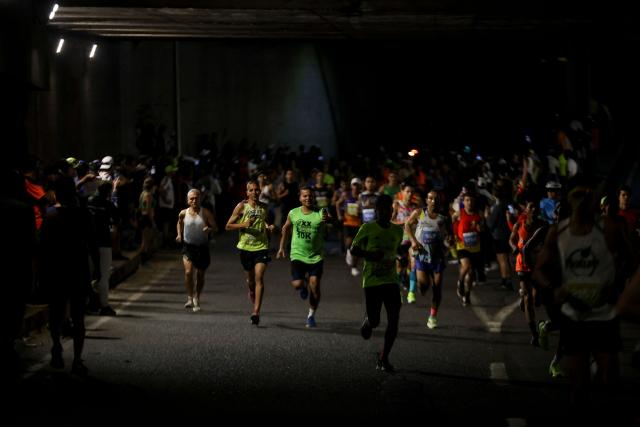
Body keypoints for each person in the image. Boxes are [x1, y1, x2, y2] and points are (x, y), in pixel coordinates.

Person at [534, 184, 634, 407]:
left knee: (610, 380)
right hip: (574, 314)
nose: (580, 201)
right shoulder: (558, 232)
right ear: (570, 200)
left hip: (604, 313)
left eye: (585, 196)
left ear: (592, 200)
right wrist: (553, 290)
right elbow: (539, 269)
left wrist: (618, 277)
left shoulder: (609, 228)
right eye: (576, 196)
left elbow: (633, 258)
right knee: (579, 385)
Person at [40, 176, 100, 377]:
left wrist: (42, 273)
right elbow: (93, 243)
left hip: (57, 271)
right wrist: (98, 268)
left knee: (56, 314)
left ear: (56, 193)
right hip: (78, 269)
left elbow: (43, 248)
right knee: (78, 317)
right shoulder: (83, 214)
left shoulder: (50, 215)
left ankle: (57, 346)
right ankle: (76, 359)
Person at [351, 194, 403, 372]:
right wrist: (370, 255)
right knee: (375, 321)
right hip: (372, 281)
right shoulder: (367, 228)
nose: (385, 213)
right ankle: (368, 322)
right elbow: (354, 249)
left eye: (388, 210)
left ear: (391, 211)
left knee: (394, 320)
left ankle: (384, 357)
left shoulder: (397, 231)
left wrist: (402, 257)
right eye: (381, 210)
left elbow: (398, 250)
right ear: (376, 211)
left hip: (391, 281)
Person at [277, 187, 329, 328]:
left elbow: (329, 227)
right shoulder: (293, 213)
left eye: (310, 196)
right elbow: (286, 228)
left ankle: (311, 315)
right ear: (300, 198)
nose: (308, 198)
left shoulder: (321, 213)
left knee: (315, 286)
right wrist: (281, 247)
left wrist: (328, 222)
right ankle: (304, 284)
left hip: (316, 256)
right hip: (298, 254)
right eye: (305, 196)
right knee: (297, 284)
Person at [226, 180, 275, 325]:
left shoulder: (264, 207)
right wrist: (244, 224)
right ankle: (251, 290)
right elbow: (228, 226)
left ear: (260, 192)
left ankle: (256, 312)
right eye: (251, 190)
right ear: (247, 192)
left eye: (257, 190)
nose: (254, 193)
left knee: (259, 277)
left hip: (261, 247)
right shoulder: (241, 206)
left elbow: (266, 223)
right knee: (251, 280)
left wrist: (269, 228)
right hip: (245, 248)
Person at [405, 190, 453, 329]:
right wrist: (413, 241)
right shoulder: (419, 213)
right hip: (422, 255)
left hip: (437, 257)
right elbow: (407, 225)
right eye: (430, 198)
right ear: (426, 200)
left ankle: (432, 317)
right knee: (423, 286)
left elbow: (450, 234)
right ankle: (416, 284)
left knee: (437, 288)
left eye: (436, 199)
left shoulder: (444, 217)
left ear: (439, 201)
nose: (433, 201)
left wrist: (450, 241)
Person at [510, 200, 544, 346]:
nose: (534, 209)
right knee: (528, 298)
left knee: (536, 300)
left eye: (536, 207)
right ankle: (534, 334)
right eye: (531, 207)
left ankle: (523, 296)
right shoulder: (519, 225)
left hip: (537, 266)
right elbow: (511, 239)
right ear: (526, 210)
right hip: (522, 265)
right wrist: (514, 247)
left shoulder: (542, 227)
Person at [176, 189, 217, 312]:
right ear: (188, 200)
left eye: (196, 198)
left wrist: (209, 229)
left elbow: (216, 227)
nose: (194, 200)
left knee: (200, 275)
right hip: (188, 247)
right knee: (188, 272)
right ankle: (189, 297)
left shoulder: (205, 213)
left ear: (200, 199)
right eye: (191, 198)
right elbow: (179, 223)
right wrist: (179, 234)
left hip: (202, 247)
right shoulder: (183, 213)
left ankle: (197, 297)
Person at [88, 181, 120, 316]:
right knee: (104, 276)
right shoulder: (109, 205)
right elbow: (116, 224)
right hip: (104, 243)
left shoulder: (89, 203)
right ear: (109, 192)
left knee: (88, 274)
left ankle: (88, 304)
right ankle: (104, 305)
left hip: (89, 243)